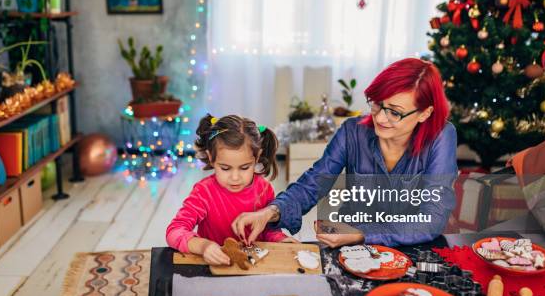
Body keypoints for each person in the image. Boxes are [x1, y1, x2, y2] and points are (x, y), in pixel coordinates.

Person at [231, 58, 458, 248]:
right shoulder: (353, 131)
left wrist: (362, 233)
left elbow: (432, 218)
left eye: (395, 113)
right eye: (377, 104)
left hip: (413, 250)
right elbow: (314, 182)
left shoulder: (442, 136)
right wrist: (271, 211)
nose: (379, 118)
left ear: (424, 114)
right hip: (350, 246)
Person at [166, 113, 294, 265]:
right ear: (211, 158)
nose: (235, 177)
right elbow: (174, 231)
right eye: (225, 168)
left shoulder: (264, 189)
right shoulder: (203, 192)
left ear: (257, 157)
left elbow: (269, 230)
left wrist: (281, 240)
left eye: (244, 167)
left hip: (254, 267)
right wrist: (203, 246)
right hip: (214, 268)